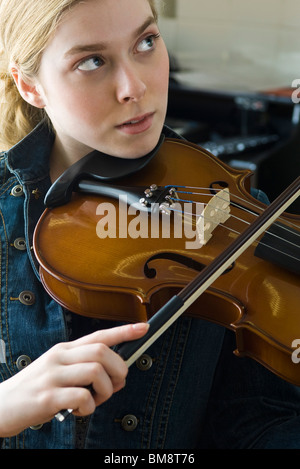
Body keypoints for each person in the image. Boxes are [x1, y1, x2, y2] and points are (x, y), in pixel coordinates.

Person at [0, 0, 299, 450]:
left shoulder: (238, 215)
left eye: (146, 42)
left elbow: (254, 423)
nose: (135, 86)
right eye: (92, 61)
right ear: (30, 86)